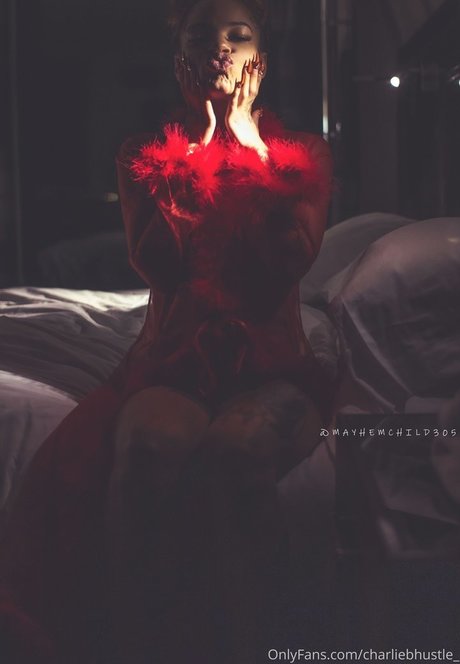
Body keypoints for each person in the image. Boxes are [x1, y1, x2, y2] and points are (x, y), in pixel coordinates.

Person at [0, 1, 335, 662]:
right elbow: (157, 265)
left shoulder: (302, 154)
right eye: (202, 35)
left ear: (261, 58)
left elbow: (293, 258)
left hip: (270, 364)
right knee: (149, 449)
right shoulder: (144, 154)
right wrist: (199, 156)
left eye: (237, 35)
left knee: (236, 452)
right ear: (179, 55)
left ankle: (255, 645)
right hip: (176, 359)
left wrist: (248, 145)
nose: (220, 48)